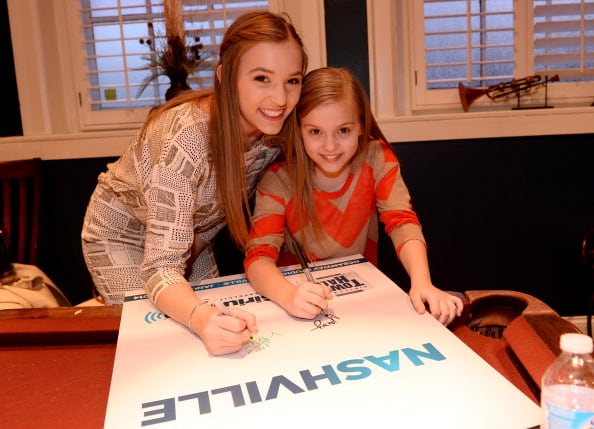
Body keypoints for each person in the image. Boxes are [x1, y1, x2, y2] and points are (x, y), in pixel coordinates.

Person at [81, 11, 308, 355]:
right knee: (160, 344)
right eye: (262, 78)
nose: (280, 99)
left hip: (192, 238)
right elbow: (161, 267)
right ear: (225, 77)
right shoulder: (186, 137)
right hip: (122, 235)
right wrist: (198, 316)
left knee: (211, 331)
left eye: (292, 80)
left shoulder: (273, 132)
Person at [244, 67, 463, 325]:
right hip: (294, 302)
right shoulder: (277, 179)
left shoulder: (377, 157)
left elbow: (402, 222)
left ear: (361, 126)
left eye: (343, 131)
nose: (330, 146)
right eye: (315, 132)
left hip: (362, 299)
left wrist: (423, 283)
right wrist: (288, 295)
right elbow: (258, 258)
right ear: (299, 129)